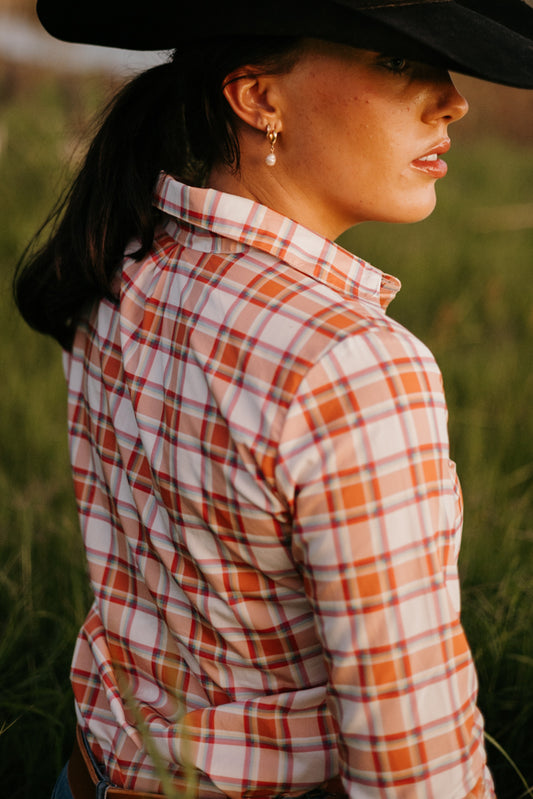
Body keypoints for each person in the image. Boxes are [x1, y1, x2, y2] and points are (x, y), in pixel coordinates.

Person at [13, 1, 533, 798]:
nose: (452, 100)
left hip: (91, 771)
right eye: (396, 63)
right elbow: (411, 756)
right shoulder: (353, 366)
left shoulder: (120, 263)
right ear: (257, 99)